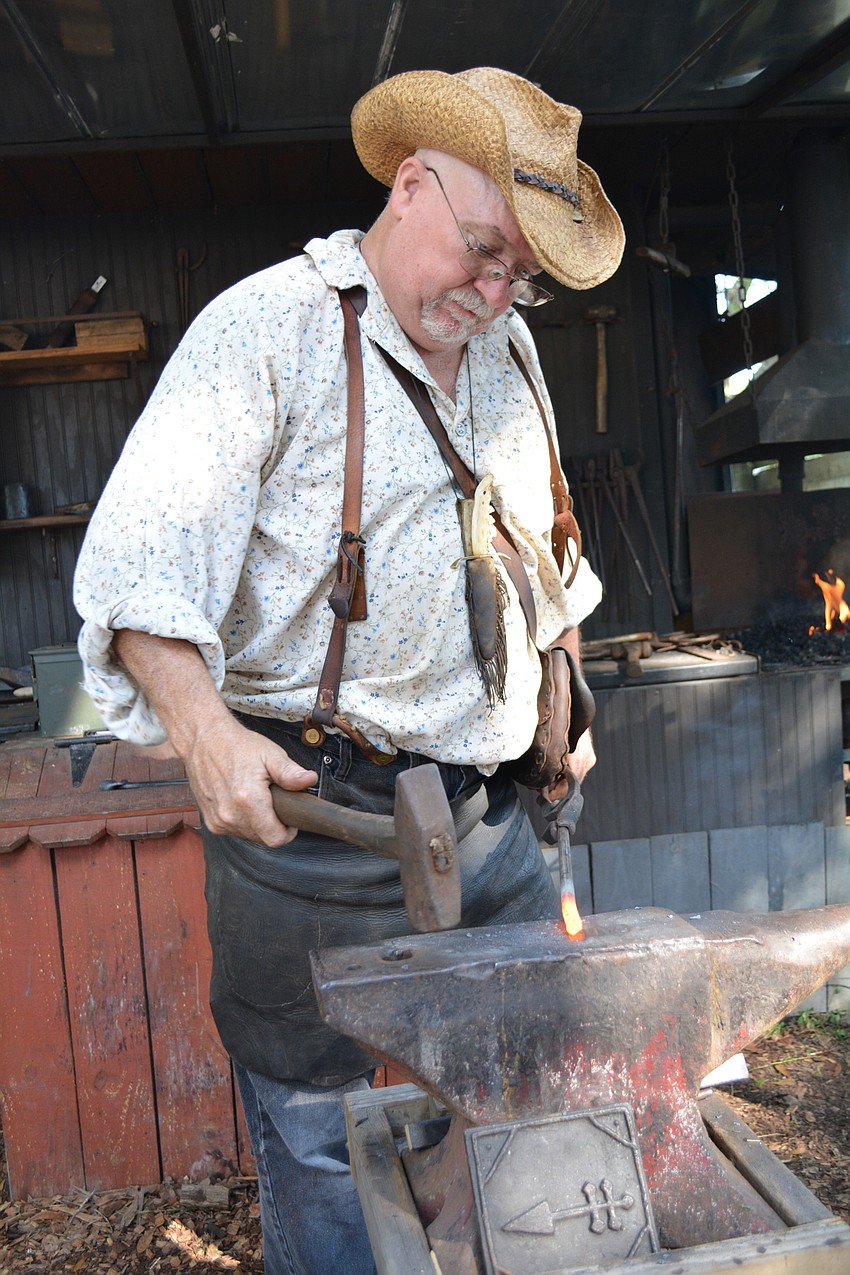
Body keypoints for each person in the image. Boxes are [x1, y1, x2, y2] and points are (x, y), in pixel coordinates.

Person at [74, 66, 624, 1275]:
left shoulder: (511, 351)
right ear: (413, 183)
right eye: (484, 253)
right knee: (326, 1157)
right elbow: (137, 574)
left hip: (488, 827)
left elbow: (547, 555)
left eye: (520, 274)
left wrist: (562, 691)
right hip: (316, 835)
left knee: (533, 1125)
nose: (496, 293)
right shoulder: (261, 332)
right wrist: (206, 735)